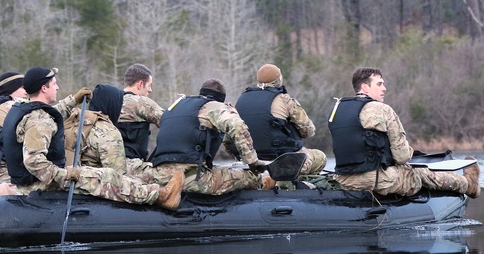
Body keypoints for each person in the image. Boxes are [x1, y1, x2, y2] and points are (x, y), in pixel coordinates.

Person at [0, 66, 184, 210]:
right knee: (108, 175)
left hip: (32, 179)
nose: (58, 87)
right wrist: (66, 174)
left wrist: (73, 100)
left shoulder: (23, 109)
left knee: (93, 172)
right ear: (44, 88)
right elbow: (34, 162)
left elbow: (52, 115)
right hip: (41, 183)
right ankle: (160, 196)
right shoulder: (39, 120)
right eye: (54, 84)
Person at [328, 67, 480, 198]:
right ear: (365, 87)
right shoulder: (383, 109)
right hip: (377, 181)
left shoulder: (336, 110)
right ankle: (468, 184)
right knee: (420, 174)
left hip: (344, 180)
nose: (384, 88)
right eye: (379, 84)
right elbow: (401, 157)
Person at [145, 79, 277, 194]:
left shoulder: (175, 106)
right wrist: (252, 162)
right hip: (190, 179)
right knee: (250, 177)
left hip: (160, 175)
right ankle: (263, 184)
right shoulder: (214, 106)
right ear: (221, 99)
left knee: (218, 169)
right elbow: (238, 126)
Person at [235, 63, 327, 177]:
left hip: (249, 162)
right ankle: (296, 186)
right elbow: (308, 131)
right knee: (320, 157)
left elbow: (230, 139)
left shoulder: (241, 100)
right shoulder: (284, 99)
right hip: (279, 162)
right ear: (279, 80)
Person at [118, 63, 164, 161]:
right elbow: (168, 121)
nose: (150, 90)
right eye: (149, 85)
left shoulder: (112, 101)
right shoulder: (141, 102)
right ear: (140, 84)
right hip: (134, 166)